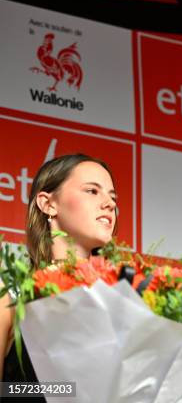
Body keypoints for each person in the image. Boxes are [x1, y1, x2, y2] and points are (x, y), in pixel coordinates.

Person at [0, 154, 117, 398]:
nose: (109, 203)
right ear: (48, 204)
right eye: (92, 191)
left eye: (112, 197)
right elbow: (7, 391)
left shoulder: (125, 297)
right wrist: (66, 390)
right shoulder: (11, 294)